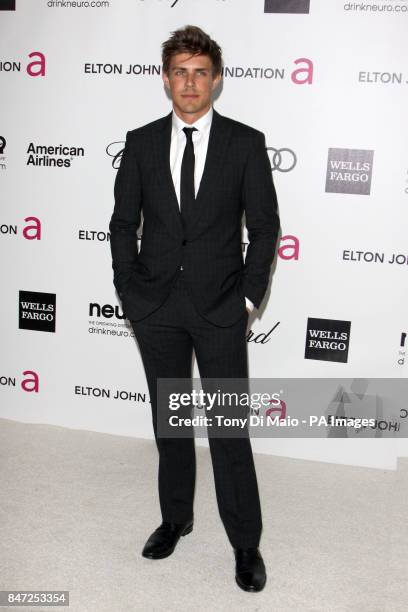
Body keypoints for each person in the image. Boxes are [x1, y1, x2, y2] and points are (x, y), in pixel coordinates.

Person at [109, 25, 280, 593]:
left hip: (220, 308)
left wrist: (249, 300)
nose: (190, 82)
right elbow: (121, 224)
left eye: (200, 72)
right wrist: (129, 292)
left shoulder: (245, 143)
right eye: (179, 71)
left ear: (216, 80)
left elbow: (264, 226)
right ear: (165, 79)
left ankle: (245, 544)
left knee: (230, 430)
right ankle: (175, 518)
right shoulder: (138, 142)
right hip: (155, 306)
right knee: (171, 426)